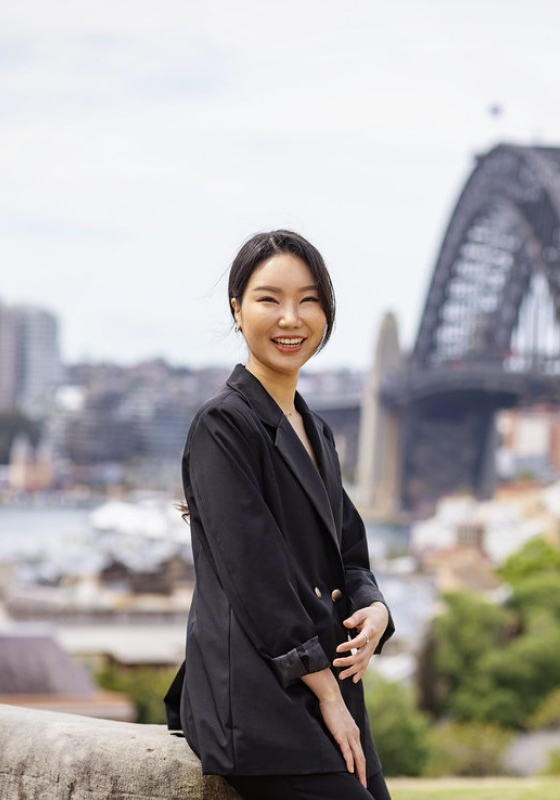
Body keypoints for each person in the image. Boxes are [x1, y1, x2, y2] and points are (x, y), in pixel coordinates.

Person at [165, 230, 394, 800]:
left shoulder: (316, 429)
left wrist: (376, 609)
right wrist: (329, 698)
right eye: (269, 299)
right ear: (238, 310)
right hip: (258, 701)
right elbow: (258, 579)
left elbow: (348, 553)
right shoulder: (223, 426)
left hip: (324, 693)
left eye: (309, 299)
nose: (291, 318)